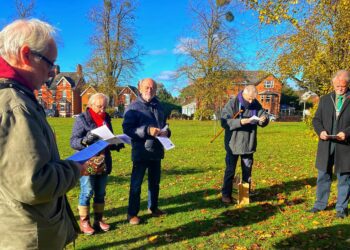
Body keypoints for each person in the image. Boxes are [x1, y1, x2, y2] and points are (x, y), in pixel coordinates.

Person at [0, 19, 82, 249]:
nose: (52, 73)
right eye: (50, 63)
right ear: (25, 54)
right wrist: (75, 168)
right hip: (28, 236)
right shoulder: (14, 104)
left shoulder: (16, 96)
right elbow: (34, 184)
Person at [70, 93, 124, 234]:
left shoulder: (106, 118)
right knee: (87, 192)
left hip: (104, 160)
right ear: (91, 105)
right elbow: (73, 141)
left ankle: (98, 220)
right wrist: (84, 140)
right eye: (99, 107)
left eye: (105, 107)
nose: (102, 110)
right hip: (88, 162)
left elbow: (107, 138)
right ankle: (84, 221)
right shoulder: (82, 119)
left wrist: (115, 144)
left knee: (100, 193)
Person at [122, 78, 171, 225]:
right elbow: (128, 129)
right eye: (147, 87)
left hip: (157, 150)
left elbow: (163, 124)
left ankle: (153, 207)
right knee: (136, 184)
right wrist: (147, 130)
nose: (149, 90)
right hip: (141, 151)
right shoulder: (133, 107)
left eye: (152, 88)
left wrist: (167, 132)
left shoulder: (158, 105)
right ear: (140, 88)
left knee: (154, 182)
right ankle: (132, 214)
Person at [309, 70, 350, 219]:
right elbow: (316, 120)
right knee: (323, 175)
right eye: (337, 86)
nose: (340, 89)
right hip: (326, 145)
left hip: (345, 146)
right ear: (333, 84)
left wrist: (347, 133)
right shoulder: (325, 99)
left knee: (344, 178)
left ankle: (341, 208)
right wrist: (320, 132)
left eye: (343, 86)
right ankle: (320, 204)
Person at [220, 85, 269, 204]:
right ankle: (226, 194)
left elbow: (264, 116)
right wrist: (242, 121)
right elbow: (224, 121)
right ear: (243, 94)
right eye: (249, 98)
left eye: (253, 98)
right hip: (233, 144)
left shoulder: (255, 104)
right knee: (230, 170)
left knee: (247, 171)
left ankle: (245, 194)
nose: (251, 101)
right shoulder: (232, 103)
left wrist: (264, 119)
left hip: (248, 143)